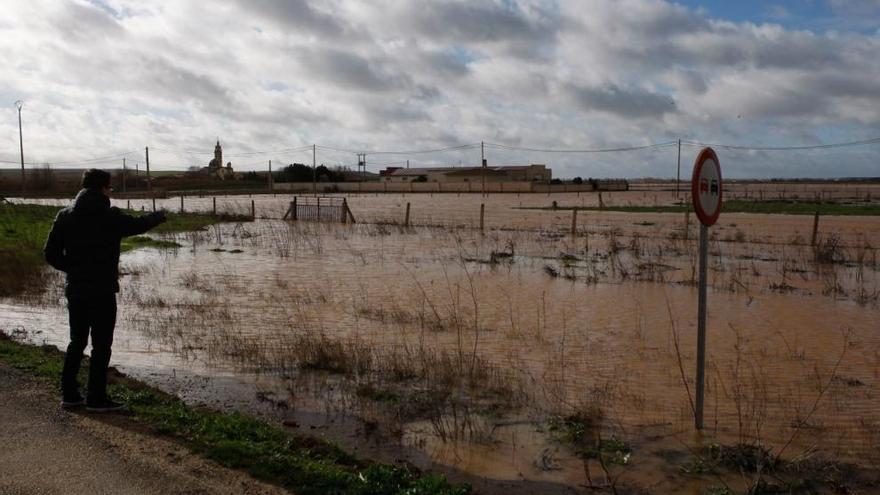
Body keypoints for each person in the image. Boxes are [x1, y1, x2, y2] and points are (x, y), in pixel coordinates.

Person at [44, 169, 166, 412]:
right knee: (101, 345)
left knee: (76, 342)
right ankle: (96, 399)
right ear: (103, 188)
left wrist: (74, 269)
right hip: (102, 290)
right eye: (109, 187)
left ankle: (70, 395)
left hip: (76, 289)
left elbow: (50, 254)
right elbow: (137, 225)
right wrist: (158, 216)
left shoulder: (65, 215)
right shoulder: (109, 216)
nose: (110, 191)